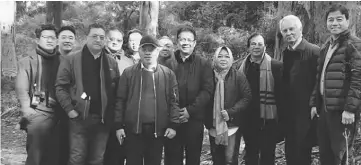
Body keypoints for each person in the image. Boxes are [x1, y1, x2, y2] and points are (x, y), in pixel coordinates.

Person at [55, 23, 120, 165]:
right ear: (86, 37)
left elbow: (116, 91)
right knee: (77, 157)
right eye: (94, 36)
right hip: (79, 117)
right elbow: (60, 87)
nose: (98, 40)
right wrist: (70, 110)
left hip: (103, 119)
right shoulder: (72, 59)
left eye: (102, 37)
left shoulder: (111, 62)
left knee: (97, 159)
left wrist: (113, 114)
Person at [114, 35, 180, 165]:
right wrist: (118, 126)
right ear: (139, 51)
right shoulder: (128, 73)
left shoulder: (167, 74)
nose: (148, 53)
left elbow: (174, 101)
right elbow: (120, 100)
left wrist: (173, 125)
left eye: (152, 49)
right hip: (133, 130)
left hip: (157, 131)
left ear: (157, 51)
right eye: (145, 49)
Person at [309, 4, 361, 165]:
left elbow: (358, 79)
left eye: (339, 19)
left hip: (342, 111)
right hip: (325, 109)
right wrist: (314, 103)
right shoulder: (327, 46)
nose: (334, 23)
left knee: (341, 155)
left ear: (347, 20)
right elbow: (319, 77)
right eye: (331, 20)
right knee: (325, 153)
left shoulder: (354, 45)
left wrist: (350, 109)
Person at [163, 26, 214, 165]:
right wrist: (174, 113)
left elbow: (207, 90)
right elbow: (164, 91)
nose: (185, 42)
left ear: (194, 43)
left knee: (193, 158)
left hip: (194, 119)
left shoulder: (203, 63)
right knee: (172, 158)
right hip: (172, 120)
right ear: (177, 42)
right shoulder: (168, 63)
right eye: (182, 39)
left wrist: (189, 111)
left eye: (188, 40)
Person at [15, 24, 61, 165]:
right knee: (36, 154)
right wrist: (27, 109)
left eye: (53, 37)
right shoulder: (27, 61)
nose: (49, 40)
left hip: (61, 111)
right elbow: (21, 88)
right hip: (38, 110)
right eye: (45, 37)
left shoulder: (64, 60)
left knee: (57, 154)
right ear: (37, 39)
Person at [278, 15, 320, 165]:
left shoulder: (314, 52)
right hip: (289, 113)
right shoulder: (286, 53)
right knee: (290, 152)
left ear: (300, 29)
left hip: (306, 114)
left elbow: (319, 81)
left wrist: (314, 104)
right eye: (285, 30)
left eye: (291, 29)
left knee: (303, 154)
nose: (288, 33)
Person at [238, 33, 284, 165]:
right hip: (248, 119)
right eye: (253, 44)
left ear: (265, 47)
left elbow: (281, 97)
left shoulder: (276, 66)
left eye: (260, 44)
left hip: (268, 120)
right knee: (250, 154)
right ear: (248, 47)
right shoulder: (241, 68)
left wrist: (281, 122)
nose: (256, 47)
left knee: (267, 155)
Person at [205, 46, 251, 165]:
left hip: (232, 126)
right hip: (213, 126)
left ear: (231, 59)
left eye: (226, 56)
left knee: (230, 160)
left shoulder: (238, 76)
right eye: (220, 56)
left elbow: (247, 97)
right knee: (217, 160)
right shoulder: (208, 76)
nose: (223, 59)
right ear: (215, 58)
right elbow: (203, 97)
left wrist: (231, 112)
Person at [103, 27, 127, 165]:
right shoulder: (97, 58)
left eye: (118, 40)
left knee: (118, 152)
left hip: (120, 114)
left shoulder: (127, 61)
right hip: (101, 112)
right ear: (106, 39)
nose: (114, 42)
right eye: (111, 39)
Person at [56, 25, 77, 165]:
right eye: (64, 37)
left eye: (71, 38)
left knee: (71, 149)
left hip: (71, 110)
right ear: (58, 40)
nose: (67, 40)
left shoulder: (77, 59)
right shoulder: (50, 59)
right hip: (51, 110)